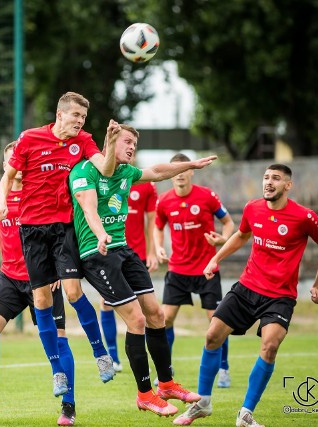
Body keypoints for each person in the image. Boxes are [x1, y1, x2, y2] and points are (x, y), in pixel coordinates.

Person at [173, 163, 318, 426]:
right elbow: (240, 235)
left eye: (276, 178)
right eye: (266, 177)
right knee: (212, 335)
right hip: (247, 287)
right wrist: (215, 258)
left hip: (280, 296)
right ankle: (202, 402)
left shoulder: (304, 217)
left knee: (270, 346)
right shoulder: (253, 208)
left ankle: (246, 413)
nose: (269, 182)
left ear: (288, 185)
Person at [69, 124, 214, 417]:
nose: (132, 146)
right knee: (135, 319)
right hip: (97, 254)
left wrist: (190, 164)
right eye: (127, 141)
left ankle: (167, 383)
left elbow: (158, 172)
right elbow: (89, 210)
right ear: (110, 141)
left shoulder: (127, 173)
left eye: (135, 142)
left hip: (123, 249)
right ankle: (144, 394)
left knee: (156, 314)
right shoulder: (84, 171)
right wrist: (99, 235)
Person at [0, 92, 119, 396]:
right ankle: (57, 371)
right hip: (32, 231)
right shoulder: (30, 138)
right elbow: (8, 176)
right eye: (75, 116)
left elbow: (106, 168)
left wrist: (111, 142)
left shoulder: (84, 141)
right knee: (41, 303)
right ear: (60, 115)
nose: (79, 122)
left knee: (74, 292)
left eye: (83, 118)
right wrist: (1, 203)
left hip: (64, 228)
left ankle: (101, 353)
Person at [0, 142, 77, 426]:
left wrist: (58, 271)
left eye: (20, 161)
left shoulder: (43, 196)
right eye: (10, 162)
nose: (15, 165)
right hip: (10, 278)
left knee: (59, 339)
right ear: (6, 166)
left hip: (43, 280)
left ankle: (69, 405)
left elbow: (60, 235)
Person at [153, 153, 234, 387]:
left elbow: (228, 223)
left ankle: (224, 368)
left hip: (206, 268)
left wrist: (223, 240)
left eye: (183, 170)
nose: (179, 175)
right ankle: (165, 371)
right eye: (174, 171)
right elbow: (158, 226)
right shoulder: (164, 201)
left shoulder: (207, 196)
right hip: (177, 270)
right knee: (165, 319)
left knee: (216, 321)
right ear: (169, 174)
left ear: (191, 171)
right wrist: (158, 247)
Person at [100, 172, 159, 373]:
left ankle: (144, 359)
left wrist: (152, 251)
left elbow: (152, 221)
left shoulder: (145, 184)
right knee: (106, 305)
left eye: (131, 144)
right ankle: (114, 358)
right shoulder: (102, 179)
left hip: (136, 255)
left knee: (144, 310)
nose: (129, 149)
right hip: (110, 253)